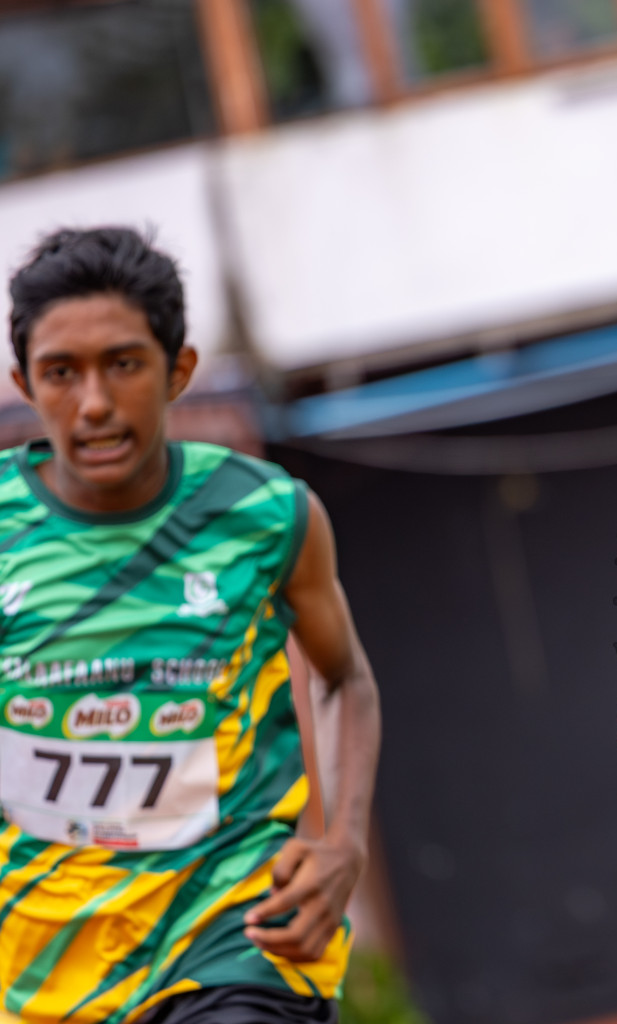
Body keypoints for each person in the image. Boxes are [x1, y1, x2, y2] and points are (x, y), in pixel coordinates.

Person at [0, 228, 381, 1024]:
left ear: (179, 371)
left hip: (232, 934)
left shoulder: (265, 513)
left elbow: (344, 676)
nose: (95, 403)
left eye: (124, 364)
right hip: (40, 970)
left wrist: (344, 840)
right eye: (61, 373)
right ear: (23, 384)